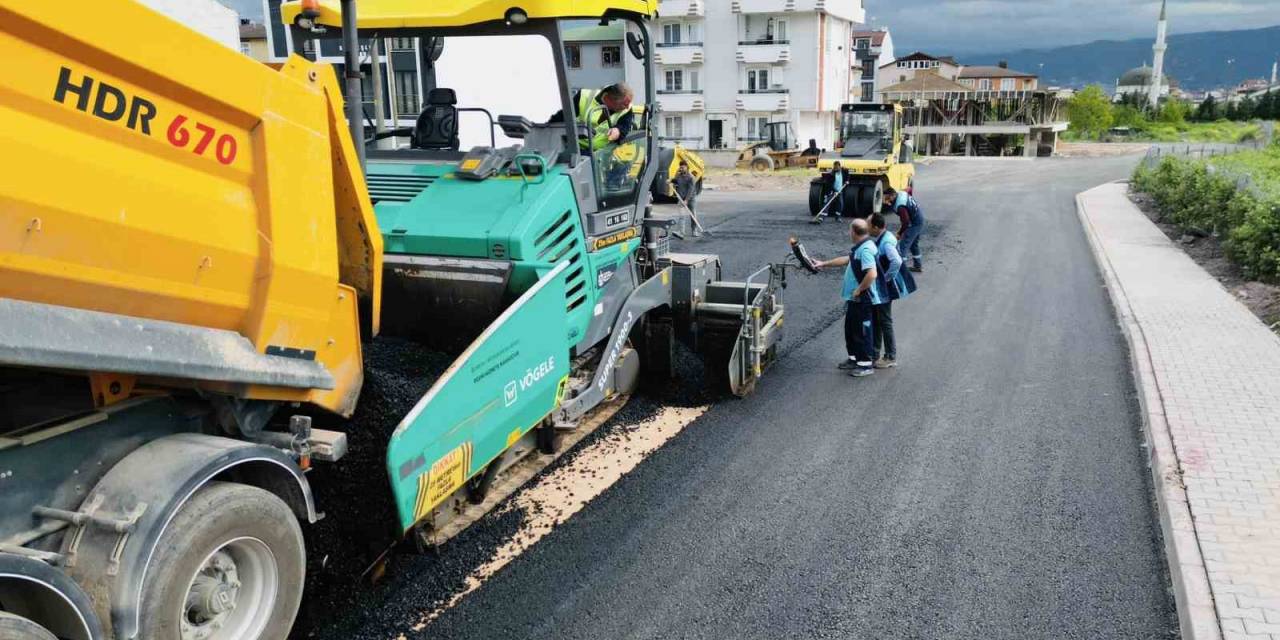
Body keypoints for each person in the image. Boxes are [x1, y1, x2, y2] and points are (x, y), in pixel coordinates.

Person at [814, 219, 884, 377]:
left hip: (863, 299)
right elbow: (847, 260)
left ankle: (865, 365)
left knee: (862, 331)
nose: (848, 232)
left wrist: (859, 289)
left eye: (849, 230)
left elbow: (872, 274)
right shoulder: (861, 247)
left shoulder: (865, 250)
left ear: (854, 232)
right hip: (855, 299)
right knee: (851, 329)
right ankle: (854, 358)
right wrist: (823, 263)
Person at [868, 213, 916, 368]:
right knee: (878, 317)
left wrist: (886, 278)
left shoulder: (886, 242)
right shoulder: (885, 237)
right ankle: (875, 352)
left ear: (875, 227)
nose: (866, 227)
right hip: (884, 284)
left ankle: (890, 356)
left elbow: (896, 261)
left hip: (887, 286)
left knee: (885, 320)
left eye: (868, 225)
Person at [549, 83, 635, 153]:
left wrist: (618, 131)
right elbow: (560, 117)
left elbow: (625, 125)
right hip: (577, 151)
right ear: (612, 100)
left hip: (603, 154)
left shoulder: (626, 110)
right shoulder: (583, 96)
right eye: (624, 104)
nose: (627, 107)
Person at [882, 186, 926, 272]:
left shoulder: (900, 206)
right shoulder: (901, 193)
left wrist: (900, 233)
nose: (887, 201)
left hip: (914, 223)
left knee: (903, 246)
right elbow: (909, 188)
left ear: (893, 195)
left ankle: (901, 270)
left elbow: (906, 222)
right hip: (918, 218)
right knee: (913, 244)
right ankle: (918, 266)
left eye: (887, 198)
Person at [672, 160, 701, 237]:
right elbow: (676, 181)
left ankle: (694, 230)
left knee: (693, 215)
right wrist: (670, 180)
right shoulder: (679, 175)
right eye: (680, 167)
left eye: (683, 167)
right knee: (681, 216)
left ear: (687, 167)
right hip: (681, 198)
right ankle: (681, 232)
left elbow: (690, 190)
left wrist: (686, 200)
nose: (681, 168)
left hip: (690, 198)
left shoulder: (691, 177)